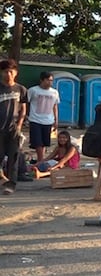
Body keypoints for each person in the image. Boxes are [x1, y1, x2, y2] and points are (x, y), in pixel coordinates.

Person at [0, 59, 28, 194]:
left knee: (14, 158)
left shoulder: (21, 89)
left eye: (10, 72)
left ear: (15, 73)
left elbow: (23, 109)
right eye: (5, 72)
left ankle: (10, 185)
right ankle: (2, 178)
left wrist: (19, 125)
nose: (8, 74)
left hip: (14, 130)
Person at [27, 72, 60, 165]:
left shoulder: (54, 92)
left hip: (48, 120)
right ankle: (40, 160)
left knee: (45, 142)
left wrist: (56, 120)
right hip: (35, 119)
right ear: (42, 80)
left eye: (51, 80)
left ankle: (40, 160)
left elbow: (55, 106)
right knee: (38, 142)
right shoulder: (33, 90)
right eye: (48, 80)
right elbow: (26, 103)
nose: (50, 82)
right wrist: (27, 115)